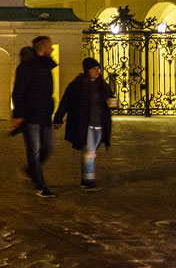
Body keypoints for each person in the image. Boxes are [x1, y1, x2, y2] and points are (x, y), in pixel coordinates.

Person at [54, 57, 114, 190]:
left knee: (91, 152)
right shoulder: (78, 84)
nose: (97, 71)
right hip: (85, 124)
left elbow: (110, 98)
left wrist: (112, 103)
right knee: (89, 152)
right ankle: (87, 180)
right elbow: (66, 101)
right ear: (87, 70)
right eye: (94, 69)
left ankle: (86, 178)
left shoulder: (102, 85)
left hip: (100, 124)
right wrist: (58, 117)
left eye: (98, 69)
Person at [12, 36, 58, 197]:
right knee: (34, 151)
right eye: (50, 47)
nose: (52, 49)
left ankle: (30, 170)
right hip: (31, 115)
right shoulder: (26, 66)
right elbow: (18, 91)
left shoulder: (46, 65)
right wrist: (18, 114)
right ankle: (41, 185)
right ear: (43, 47)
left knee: (47, 148)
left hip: (44, 114)